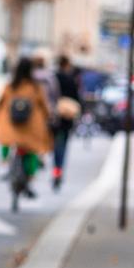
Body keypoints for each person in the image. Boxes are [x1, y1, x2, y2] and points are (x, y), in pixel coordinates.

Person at [0, 57, 54, 198]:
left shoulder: (11, 86)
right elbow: (45, 107)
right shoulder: (36, 88)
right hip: (31, 127)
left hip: (11, 125)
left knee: (6, 140)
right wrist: (48, 117)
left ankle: (4, 164)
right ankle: (31, 180)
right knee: (32, 150)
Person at [52, 55, 81, 190]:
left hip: (51, 118)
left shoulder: (52, 77)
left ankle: (53, 168)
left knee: (51, 144)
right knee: (62, 147)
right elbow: (76, 98)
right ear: (67, 65)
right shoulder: (70, 79)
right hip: (65, 119)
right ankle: (58, 171)